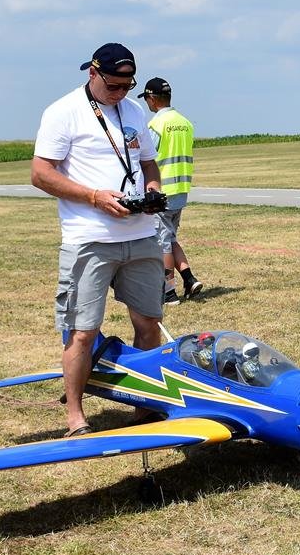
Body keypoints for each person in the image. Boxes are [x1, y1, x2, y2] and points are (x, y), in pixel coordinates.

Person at [31, 43, 165, 438]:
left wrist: (152, 190)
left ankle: (145, 407)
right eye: (114, 85)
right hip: (89, 239)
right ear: (93, 72)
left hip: (140, 235)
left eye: (128, 86)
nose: (120, 93)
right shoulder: (63, 111)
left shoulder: (134, 111)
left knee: (149, 323)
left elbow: (148, 163)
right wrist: (94, 197)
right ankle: (75, 417)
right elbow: (40, 174)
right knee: (82, 330)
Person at [137, 77, 202, 305]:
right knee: (171, 238)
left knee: (162, 243)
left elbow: (146, 157)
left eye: (146, 99)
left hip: (162, 191)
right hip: (181, 190)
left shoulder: (156, 124)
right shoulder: (185, 123)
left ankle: (168, 291)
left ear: (152, 99)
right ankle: (189, 278)